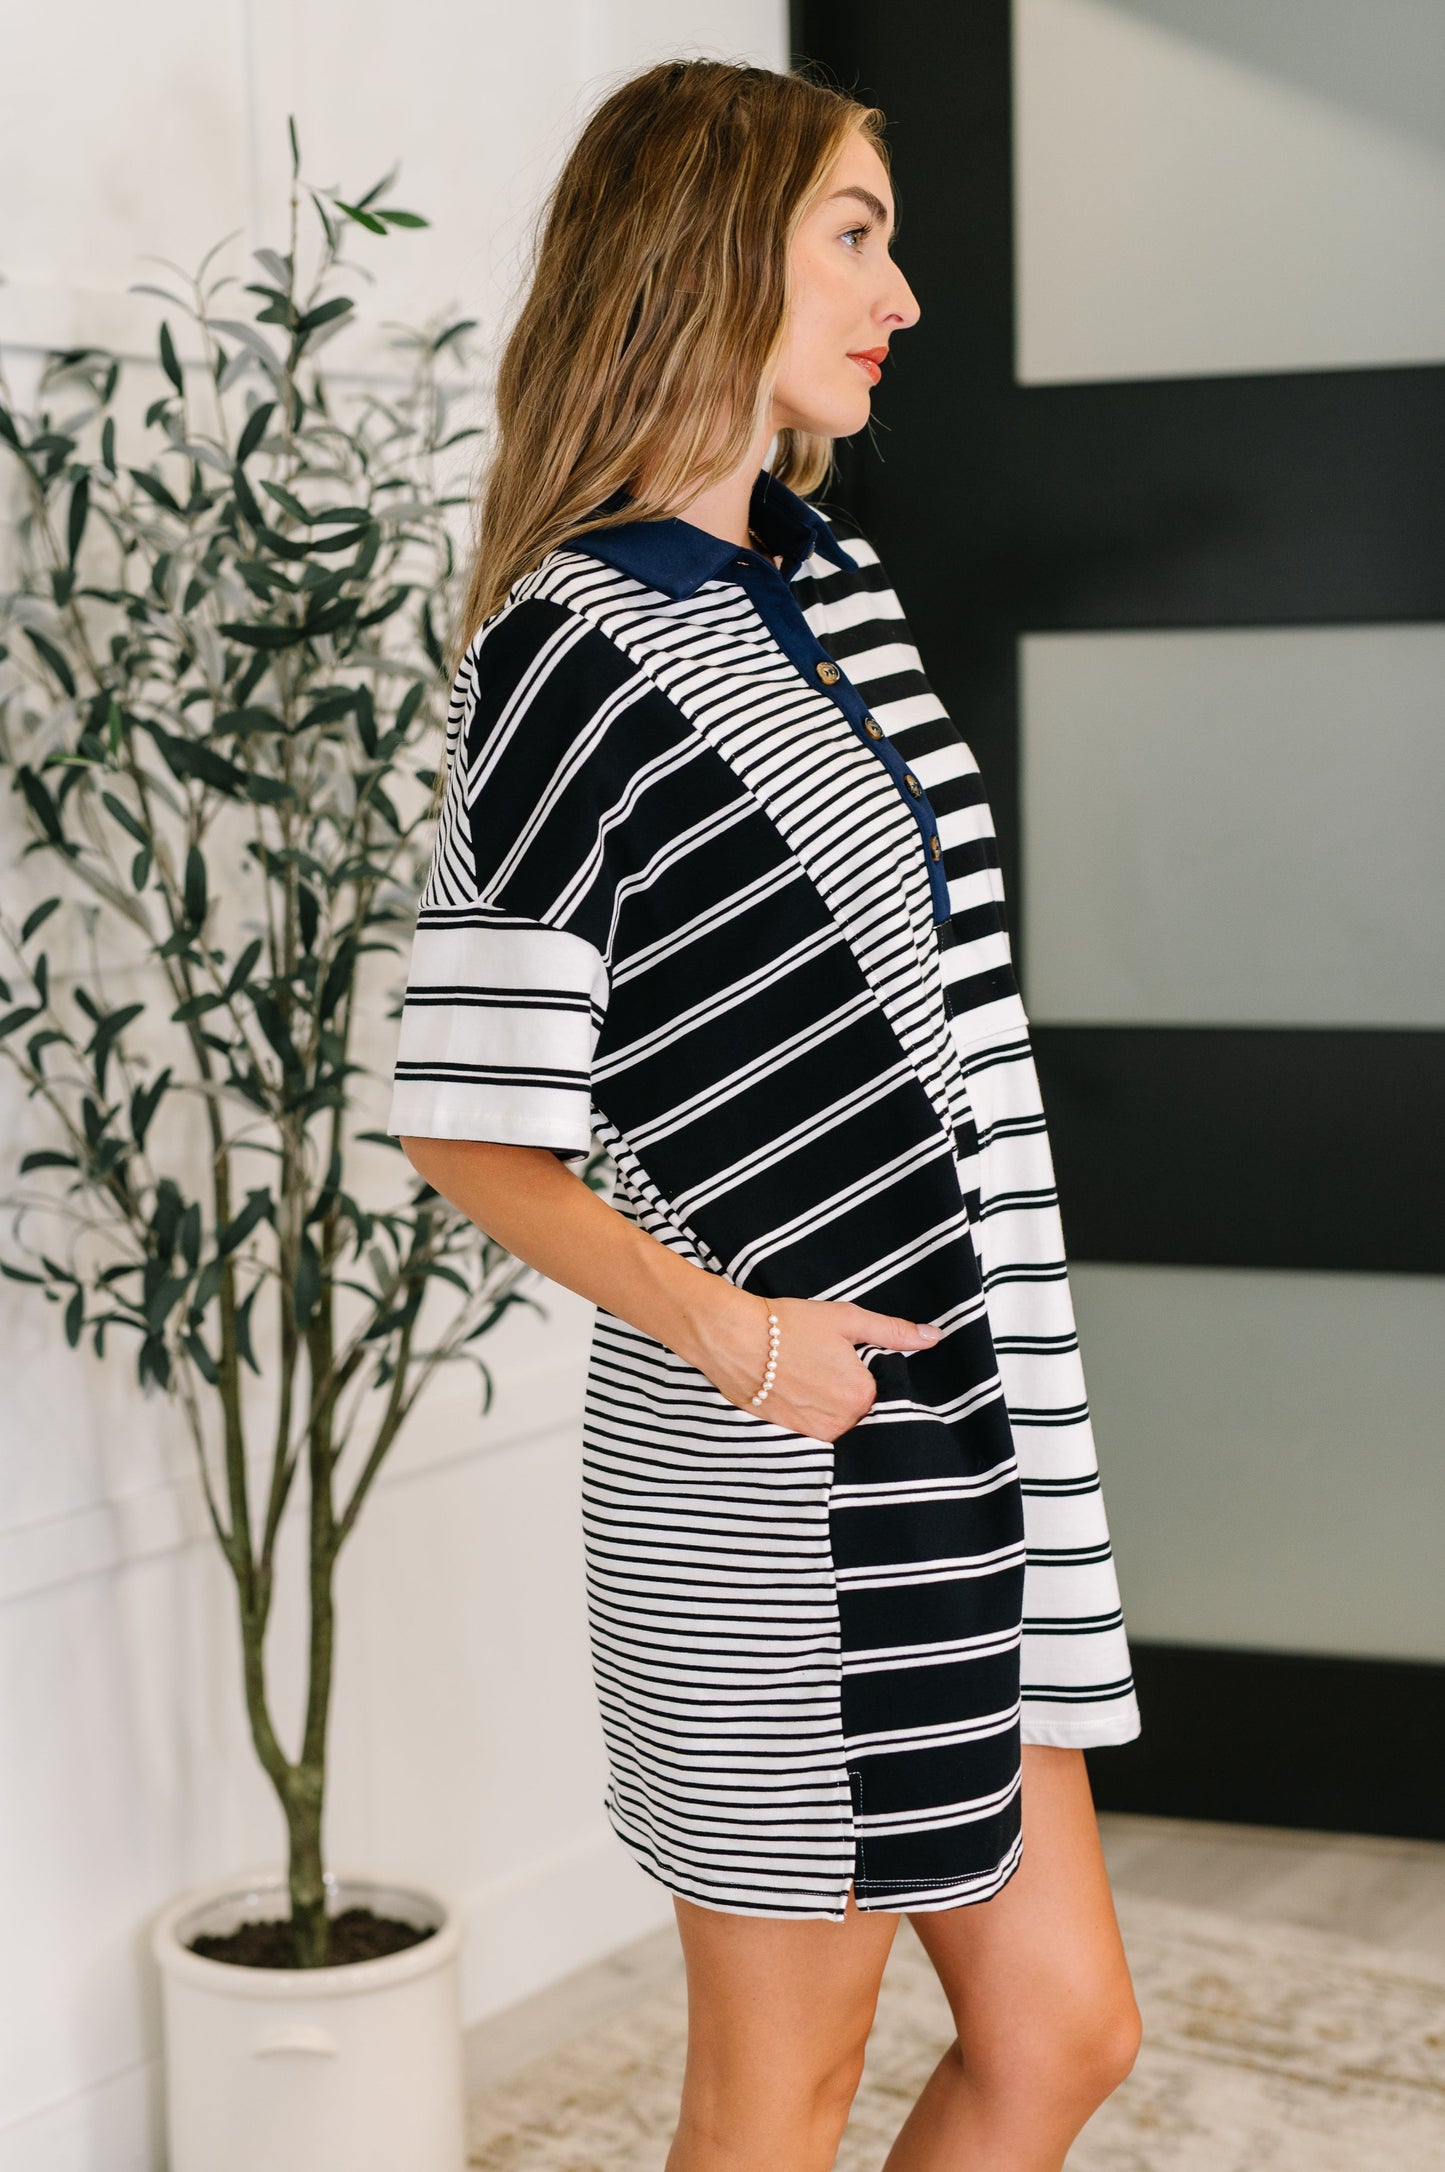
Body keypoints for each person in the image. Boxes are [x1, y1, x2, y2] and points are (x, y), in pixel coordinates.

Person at [391, 57, 1143, 2172]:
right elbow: (467, 1123)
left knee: (1065, 2033)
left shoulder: (834, 593)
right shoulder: (570, 651)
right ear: (709, 251)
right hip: (772, 1490)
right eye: (853, 235)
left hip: (965, 1448)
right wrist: (736, 1332)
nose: (898, 292)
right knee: (777, 2097)